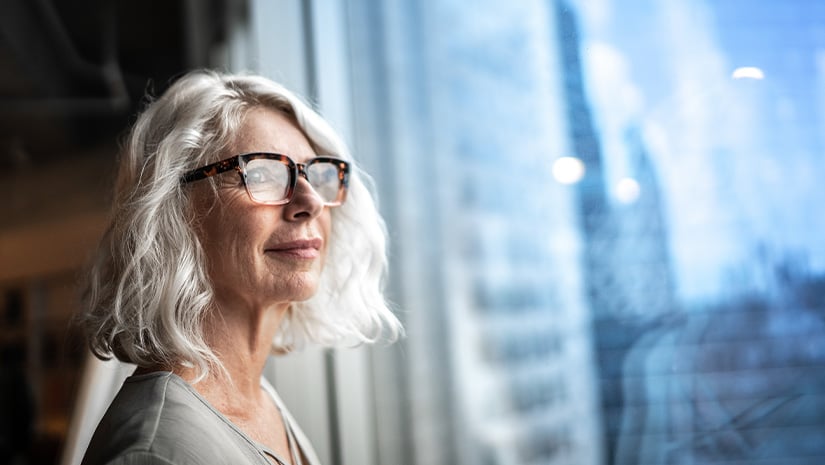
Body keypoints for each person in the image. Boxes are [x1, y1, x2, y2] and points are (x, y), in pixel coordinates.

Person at [78, 70, 402, 465]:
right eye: (262, 174)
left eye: (316, 174)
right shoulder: (159, 452)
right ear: (174, 211)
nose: (310, 201)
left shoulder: (256, 401)